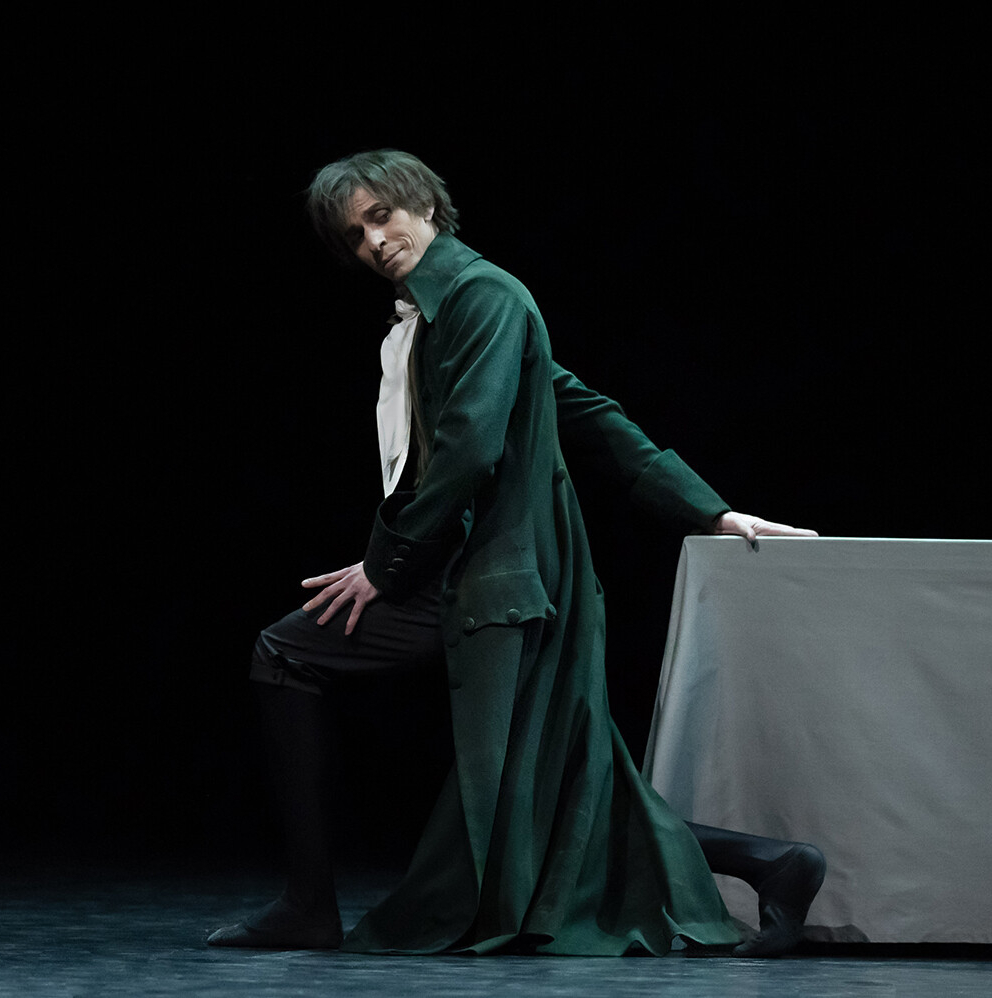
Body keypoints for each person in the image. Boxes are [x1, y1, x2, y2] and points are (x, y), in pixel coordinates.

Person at [207, 150, 825, 957]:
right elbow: (585, 409)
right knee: (559, 785)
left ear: (426, 206)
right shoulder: (453, 309)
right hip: (489, 570)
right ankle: (775, 864)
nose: (374, 240)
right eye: (355, 234)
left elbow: (469, 450)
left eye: (382, 216)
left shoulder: (481, 297)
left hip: (497, 576)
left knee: (295, 659)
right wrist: (707, 508)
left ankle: (308, 905)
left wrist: (383, 567)